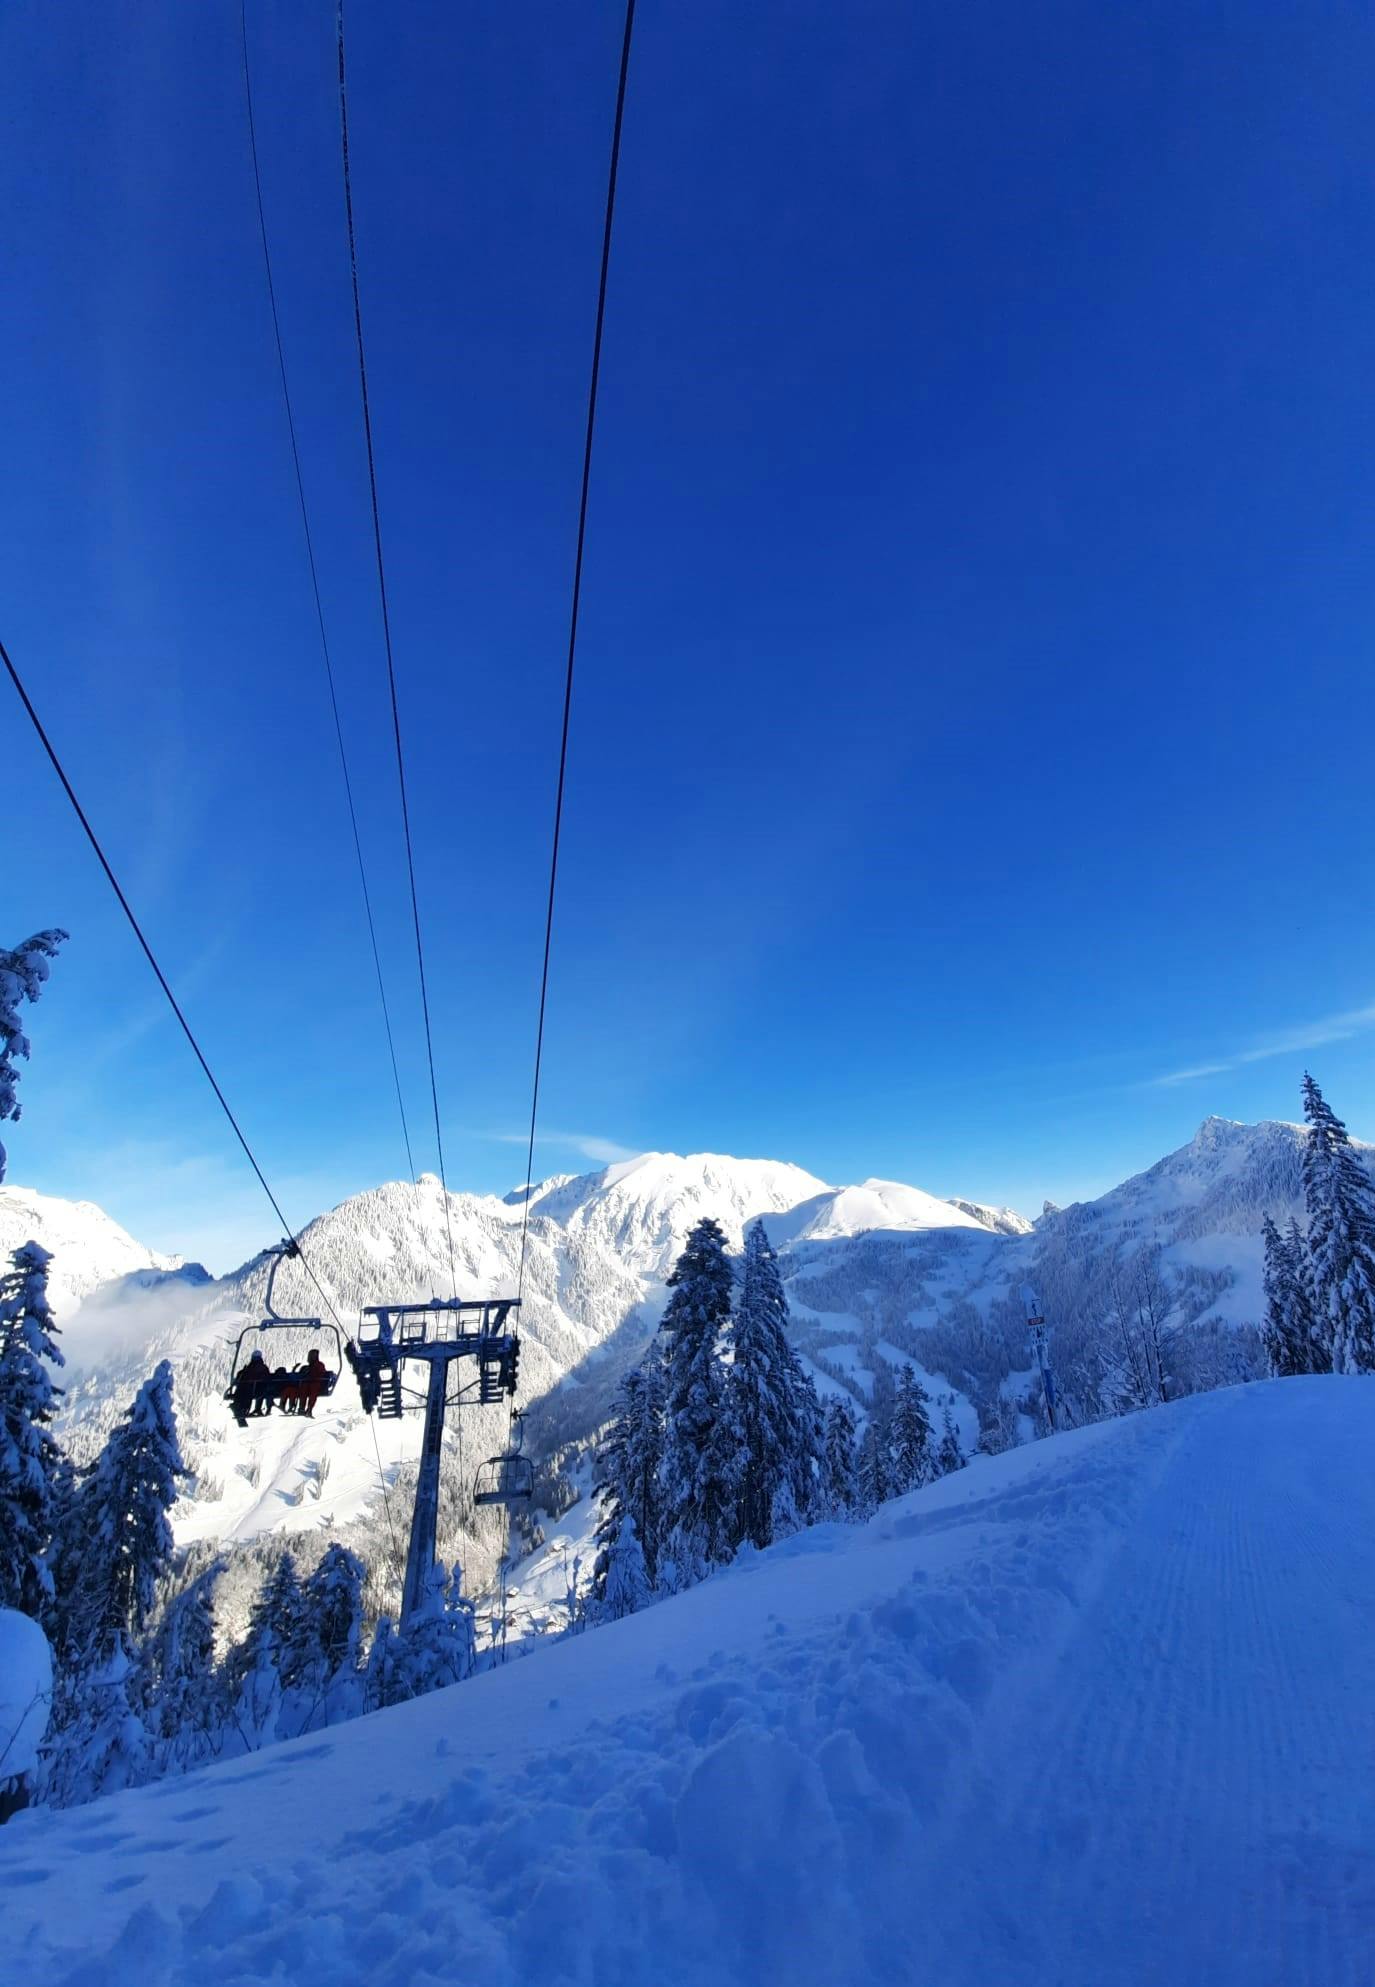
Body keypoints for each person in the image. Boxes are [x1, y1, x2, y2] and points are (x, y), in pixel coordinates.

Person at [298, 1346, 333, 1418]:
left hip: (316, 1384)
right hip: (308, 1383)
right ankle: (301, 1408)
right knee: (303, 1388)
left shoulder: (319, 1365)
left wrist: (313, 1376)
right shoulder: (307, 1367)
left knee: (313, 1390)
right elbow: (301, 1375)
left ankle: (309, 1409)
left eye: (313, 1356)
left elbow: (321, 1374)